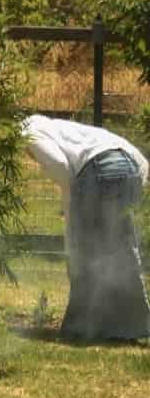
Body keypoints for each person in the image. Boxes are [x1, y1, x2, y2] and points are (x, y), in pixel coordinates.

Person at [21, 114, 150, 341]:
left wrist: (73, 239)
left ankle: (82, 327)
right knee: (122, 252)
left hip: (99, 171)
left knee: (86, 253)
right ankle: (131, 327)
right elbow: (140, 165)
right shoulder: (71, 132)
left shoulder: (28, 131)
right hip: (133, 169)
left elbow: (60, 168)